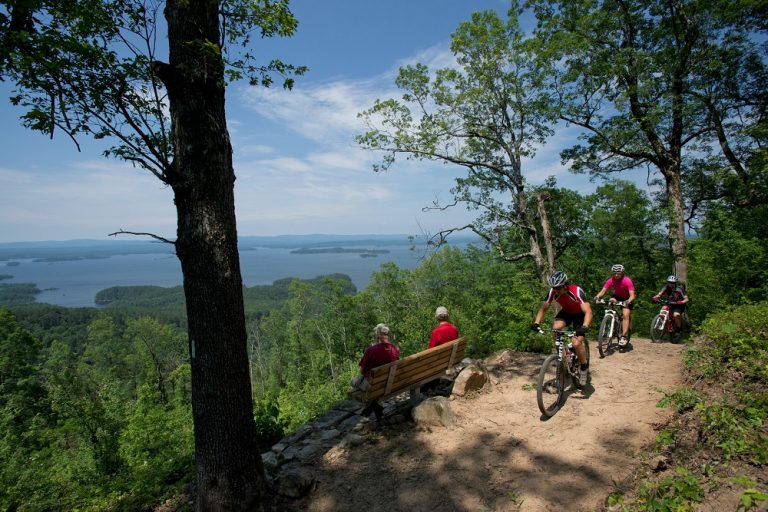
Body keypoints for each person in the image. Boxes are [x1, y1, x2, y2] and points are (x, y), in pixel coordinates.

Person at [532, 271, 593, 386]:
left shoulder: (576, 291)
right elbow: (544, 308)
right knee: (555, 328)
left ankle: (584, 367)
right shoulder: (553, 292)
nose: (556, 290)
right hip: (567, 312)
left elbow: (588, 312)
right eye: (554, 288)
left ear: (565, 285)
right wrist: (536, 322)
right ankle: (563, 354)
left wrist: (584, 327)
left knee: (576, 343)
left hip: (581, 315)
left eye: (558, 288)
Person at [357, 323, 400, 421]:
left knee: (356, 381)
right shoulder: (395, 348)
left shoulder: (370, 350)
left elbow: (362, 370)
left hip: (376, 385)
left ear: (377, 335)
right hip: (392, 382)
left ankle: (373, 407)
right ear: (388, 334)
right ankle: (375, 408)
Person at [593, 264, 636, 347]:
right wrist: (597, 297)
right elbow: (603, 291)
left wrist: (628, 301)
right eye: (614, 273)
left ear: (622, 273)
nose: (616, 275)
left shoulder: (627, 281)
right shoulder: (610, 280)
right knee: (611, 301)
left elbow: (632, 295)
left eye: (618, 273)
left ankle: (623, 337)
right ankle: (611, 325)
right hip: (617, 296)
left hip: (627, 298)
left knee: (625, 314)